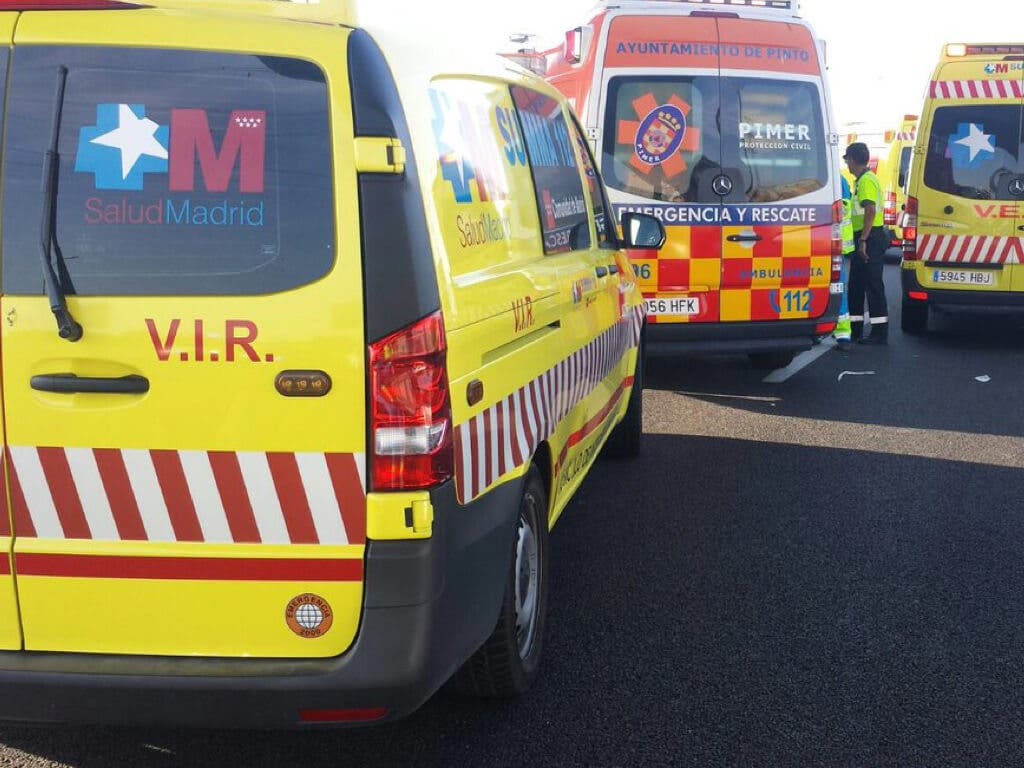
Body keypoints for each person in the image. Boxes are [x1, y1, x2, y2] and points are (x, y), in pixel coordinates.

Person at [843, 142, 889, 344]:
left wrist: (862, 240)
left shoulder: (867, 181)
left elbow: (870, 211)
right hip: (865, 237)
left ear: (853, 159)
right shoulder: (863, 180)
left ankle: (879, 333)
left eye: (847, 160)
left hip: (869, 238)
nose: (847, 164)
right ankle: (856, 330)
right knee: (856, 285)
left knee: (872, 285)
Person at [833, 175, 855, 349]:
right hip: (836, 242)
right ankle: (842, 333)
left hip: (830, 241)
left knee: (835, 286)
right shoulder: (840, 180)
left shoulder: (836, 180)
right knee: (837, 286)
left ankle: (841, 333)